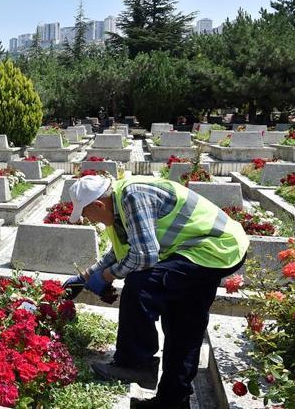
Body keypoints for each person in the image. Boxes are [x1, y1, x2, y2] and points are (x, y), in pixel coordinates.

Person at [63, 175, 249, 409]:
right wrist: (85, 278)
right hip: (205, 252)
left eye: (89, 215)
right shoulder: (118, 207)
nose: (93, 221)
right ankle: (173, 402)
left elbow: (144, 256)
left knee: (141, 284)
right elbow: (120, 251)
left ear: (99, 205)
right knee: (183, 327)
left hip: (213, 248)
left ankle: (134, 363)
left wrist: (107, 276)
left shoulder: (133, 196)